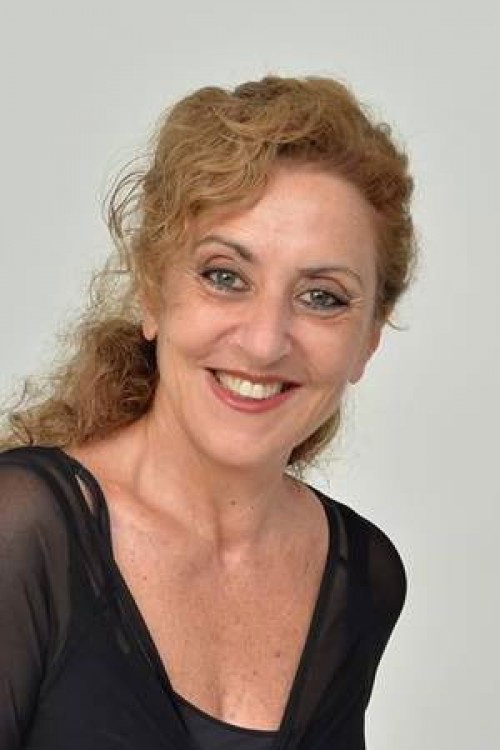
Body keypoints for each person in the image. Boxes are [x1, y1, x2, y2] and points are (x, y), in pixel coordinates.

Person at [0, 75, 416, 750]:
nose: (264, 341)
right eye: (225, 276)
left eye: (323, 297)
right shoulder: (24, 533)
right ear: (151, 291)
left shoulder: (361, 575)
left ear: (369, 338)